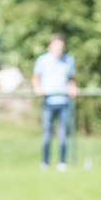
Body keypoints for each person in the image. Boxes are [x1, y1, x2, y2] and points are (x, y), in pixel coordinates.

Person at [32, 32, 78, 170]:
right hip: (48, 101)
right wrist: (37, 88)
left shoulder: (68, 60)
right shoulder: (42, 60)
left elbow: (71, 80)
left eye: (61, 47)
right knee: (46, 134)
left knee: (63, 133)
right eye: (56, 47)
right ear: (49, 47)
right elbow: (35, 78)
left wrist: (73, 88)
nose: (59, 50)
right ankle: (45, 162)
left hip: (63, 101)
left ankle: (61, 162)